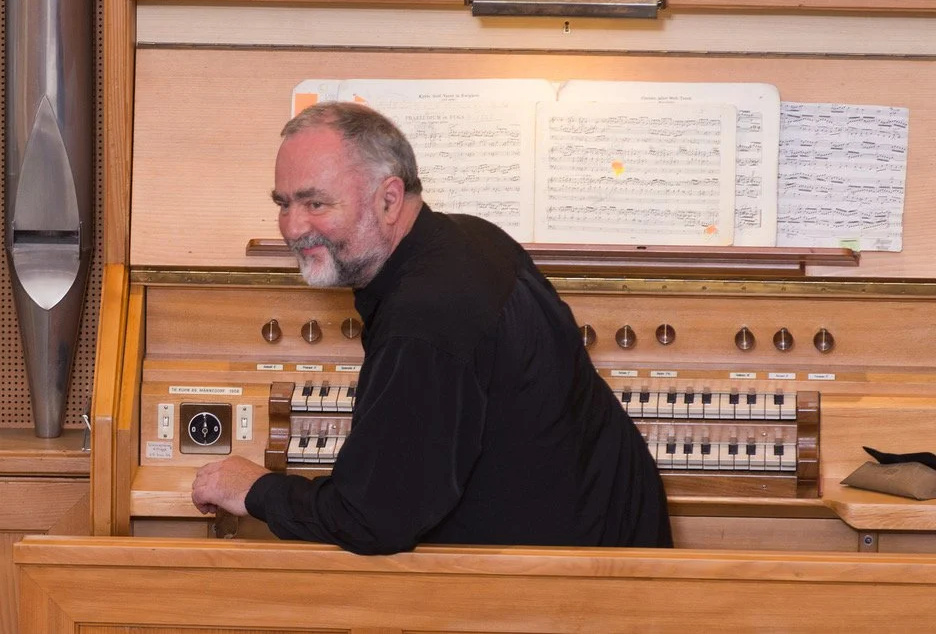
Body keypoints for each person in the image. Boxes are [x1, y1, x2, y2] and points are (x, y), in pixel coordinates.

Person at [191, 101, 672, 554]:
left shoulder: (426, 321)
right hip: (616, 521)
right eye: (283, 203)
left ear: (390, 198)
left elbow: (370, 520)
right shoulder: (469, 235)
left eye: (316, 204)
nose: (293, 228)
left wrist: (256, 489)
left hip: (569, 581)